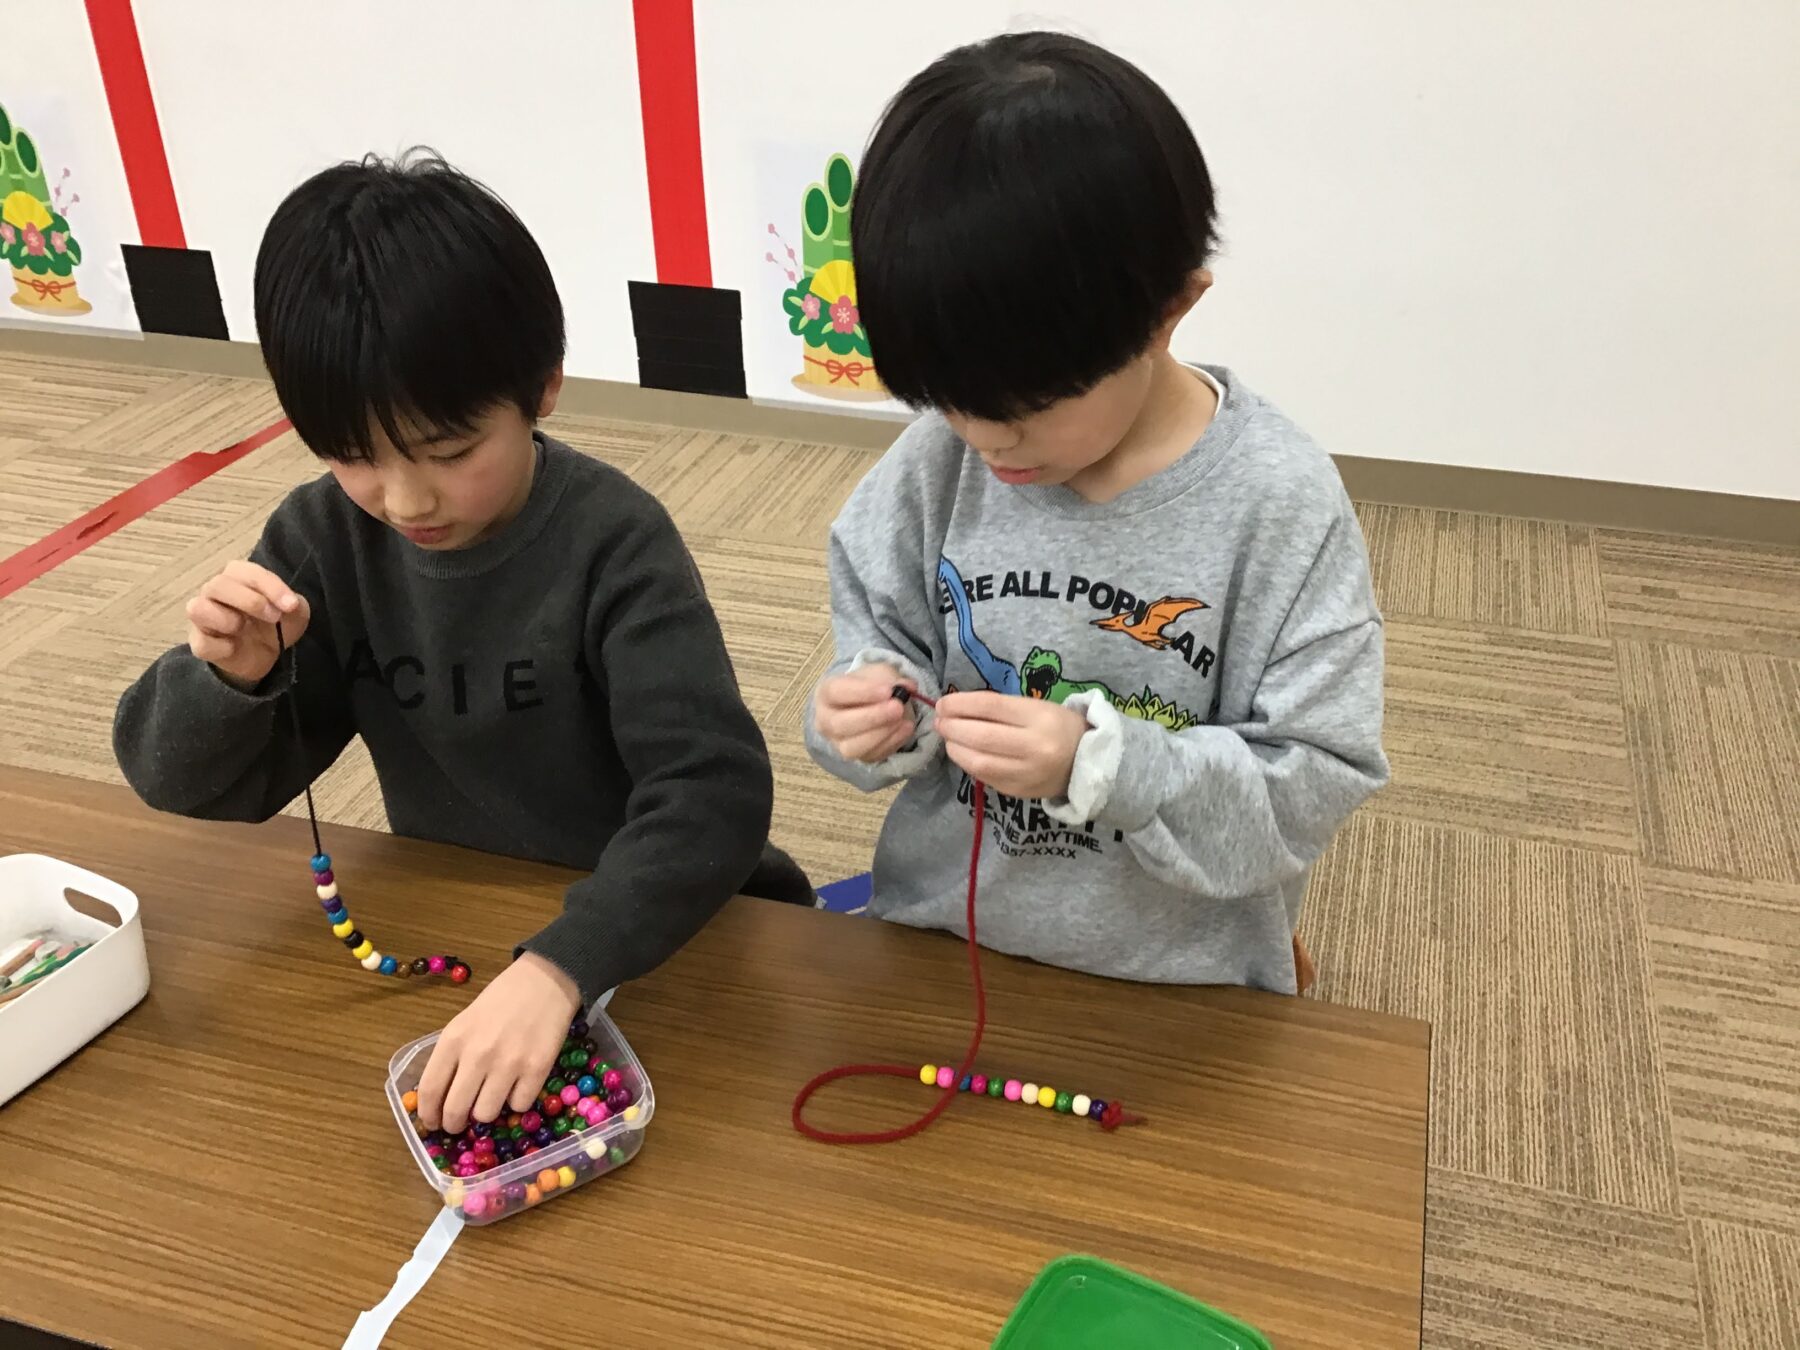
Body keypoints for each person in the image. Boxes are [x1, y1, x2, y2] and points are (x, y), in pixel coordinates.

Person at [115, 152, 810, 1131]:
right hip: (467, 920)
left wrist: (562, 967)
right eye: (352, 455)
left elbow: (714, 793)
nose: (405, 501)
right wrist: (226, 681)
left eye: (449, 453)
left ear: (544, 386)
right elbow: (182, 785)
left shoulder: (613, 542)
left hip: (667, 929)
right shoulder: (321, 539)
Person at [807, 32, 1386, 994]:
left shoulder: (1279, 504)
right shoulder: (935, 464)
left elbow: (1314, 782)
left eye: (1030, 405)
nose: (988, 440)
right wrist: (867, 710)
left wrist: (1109, 767)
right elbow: (878, 649)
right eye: (948, 399)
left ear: (1170, 311)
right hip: (948, 945)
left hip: (1178, 978)